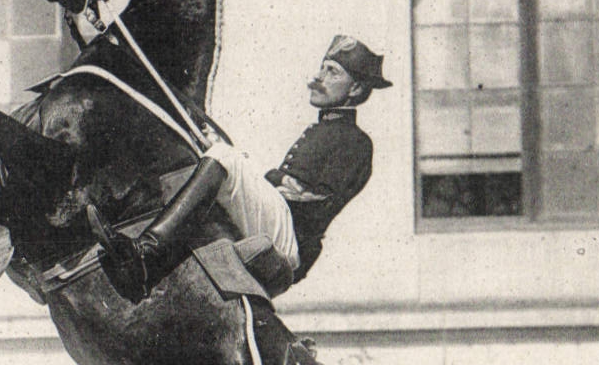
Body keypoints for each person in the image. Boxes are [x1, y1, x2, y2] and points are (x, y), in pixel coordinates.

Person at [90, 35, 391, 304]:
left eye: (332, 72)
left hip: (292, 241)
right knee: (207, 149)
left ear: (356, 88)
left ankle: (146, 252)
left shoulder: (356, 142)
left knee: (225, 157)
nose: (318, 77)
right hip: (280, 221)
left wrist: (267, 178)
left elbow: (311, 200)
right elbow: (287, 187)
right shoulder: (324, 129)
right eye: (322, 67)